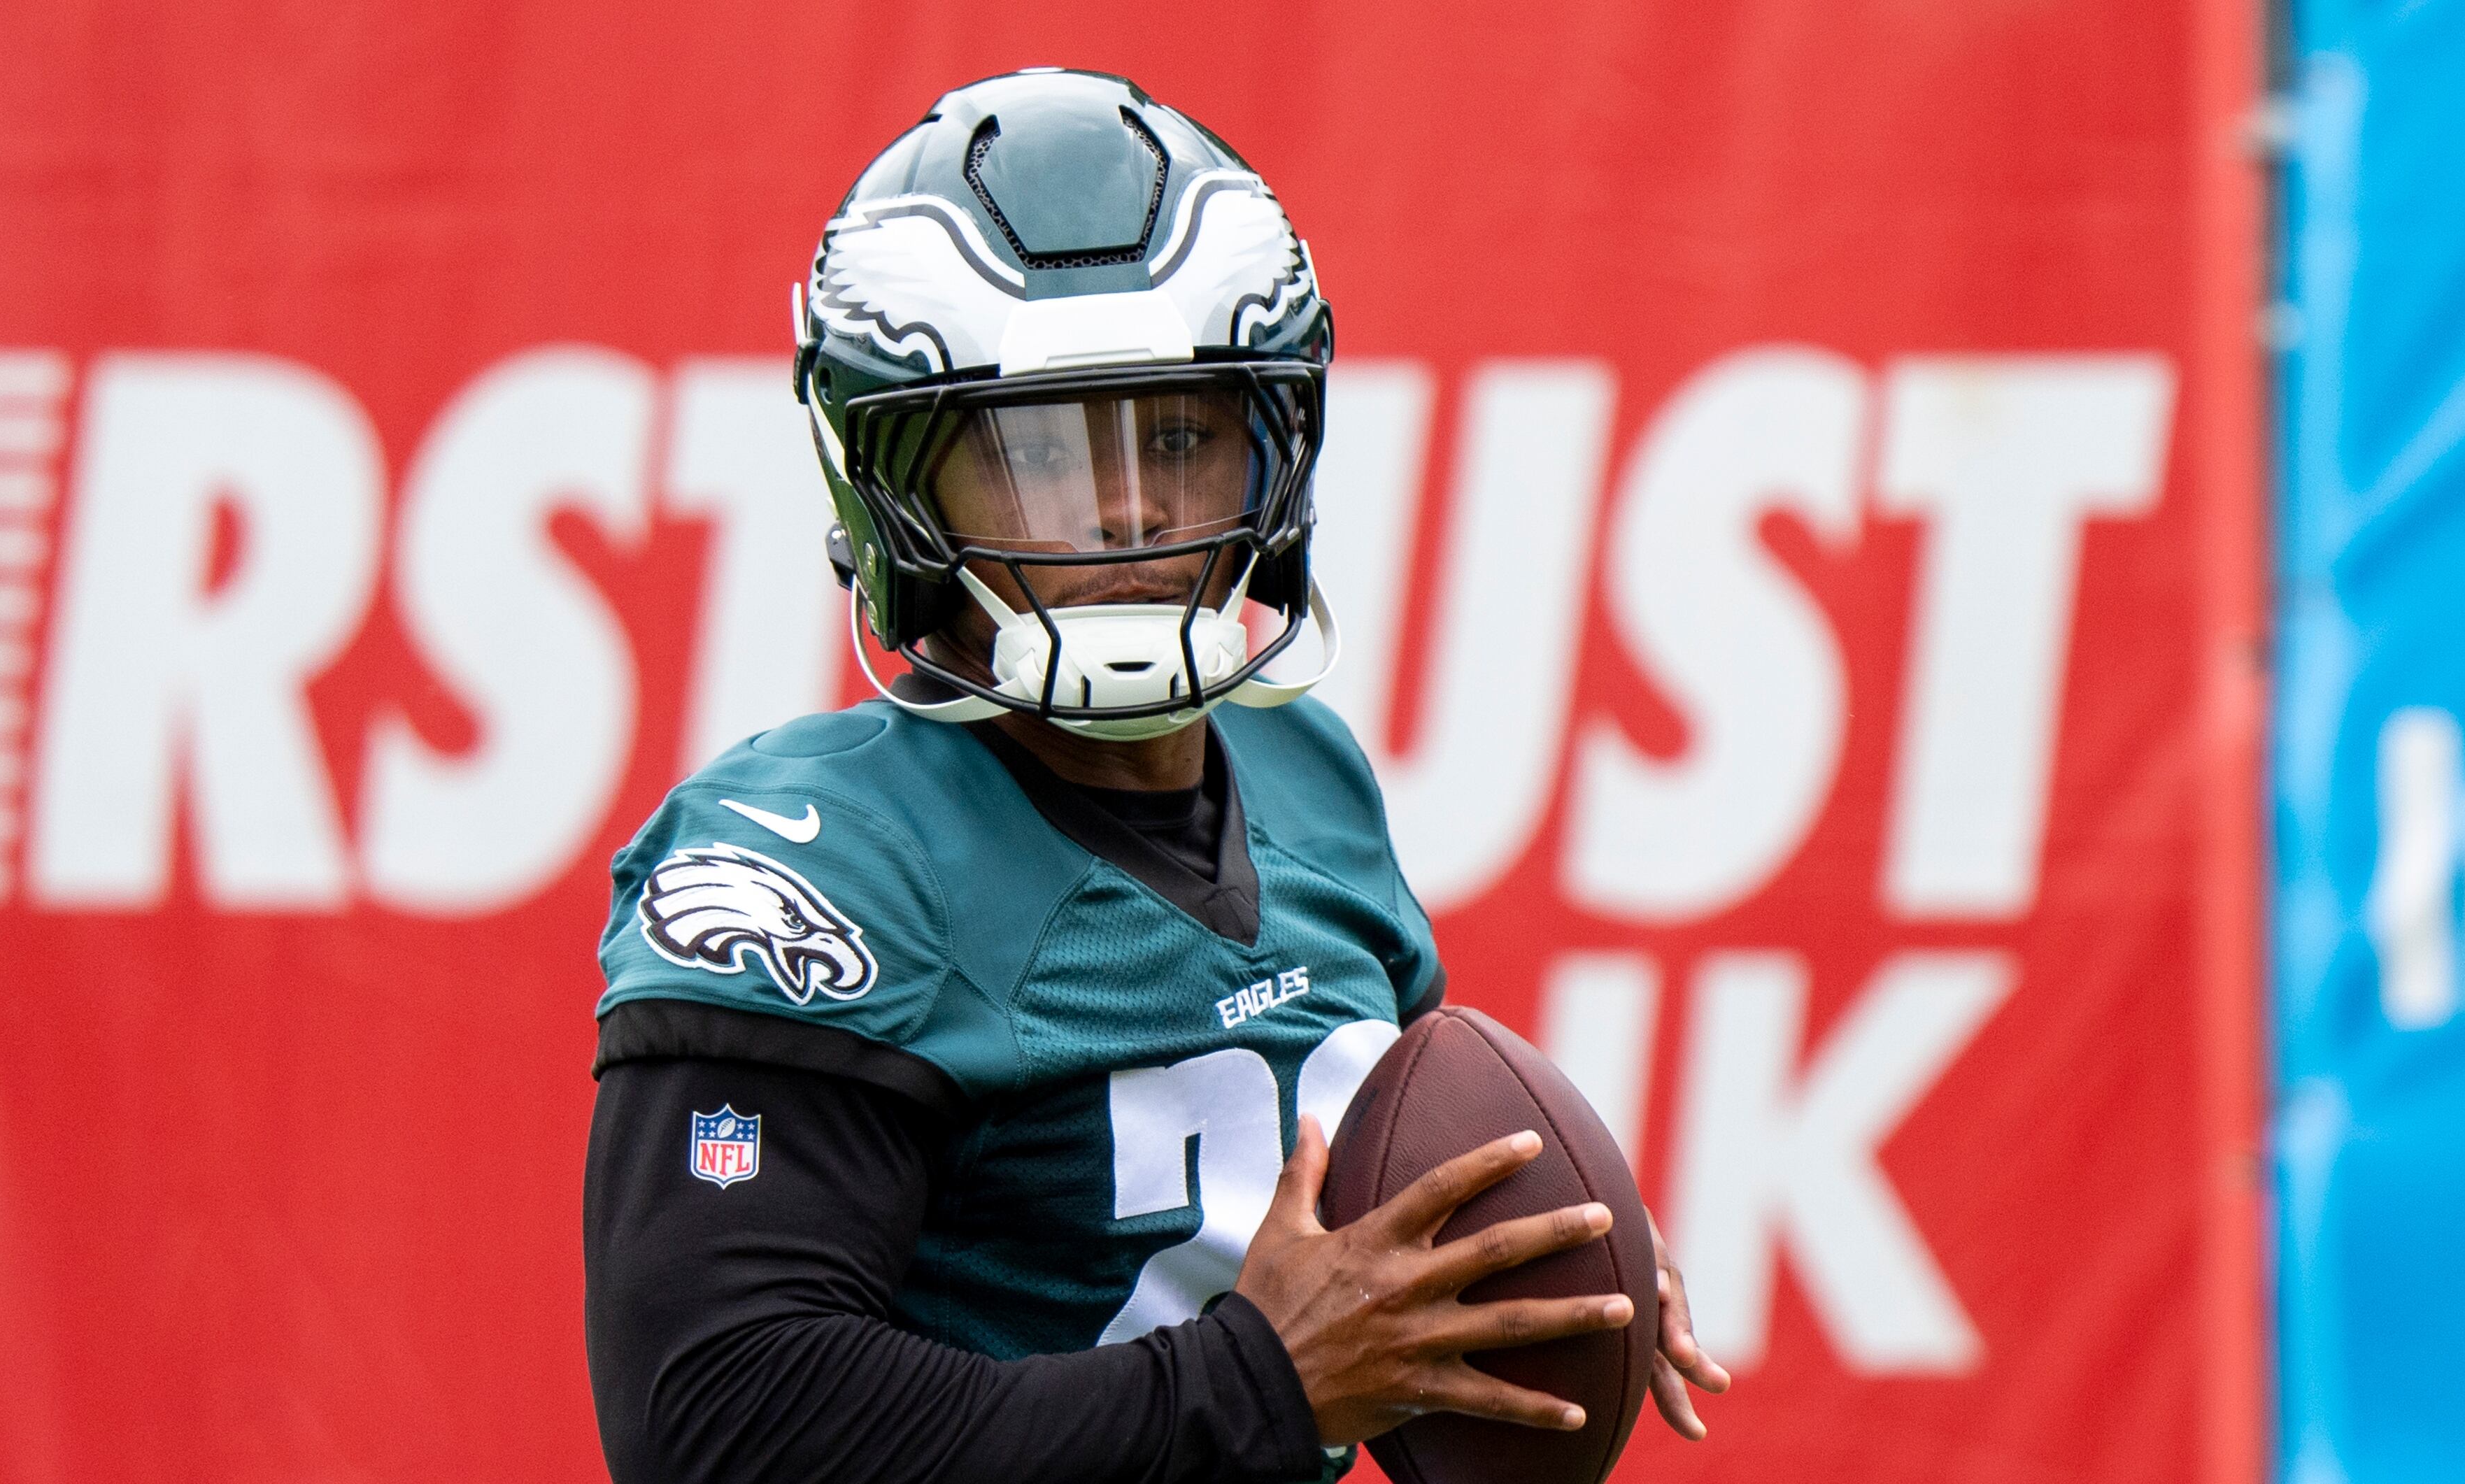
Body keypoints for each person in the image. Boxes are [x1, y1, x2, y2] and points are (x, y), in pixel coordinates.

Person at [581, 68, 1729, 1484]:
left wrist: (1529, 1253)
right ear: (895, 488)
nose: (1127, 504)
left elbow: (1368, 1203)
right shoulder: (819, 861)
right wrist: (1256, 1382)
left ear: (1272, 448)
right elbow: (715, 1420)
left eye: (1179, 437)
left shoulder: (1307, 772)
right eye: (1038, 449)